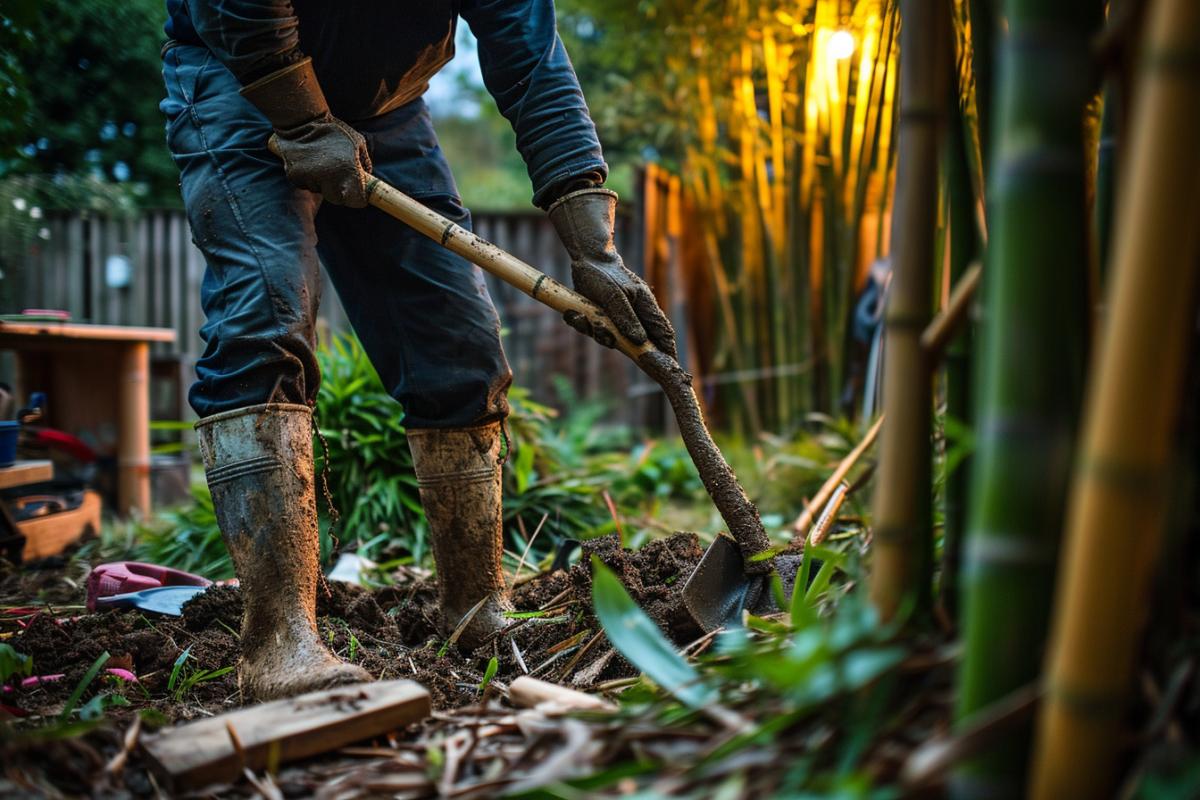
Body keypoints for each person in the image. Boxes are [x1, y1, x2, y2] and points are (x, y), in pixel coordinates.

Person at [160, 0, 675, 701]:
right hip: (238, 79)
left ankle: (474, 609)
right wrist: (301, 116)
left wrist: (594, 243)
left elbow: (531, 61)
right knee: (265, 309)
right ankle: (278, 642)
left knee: (459, 345)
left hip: (385, 108)